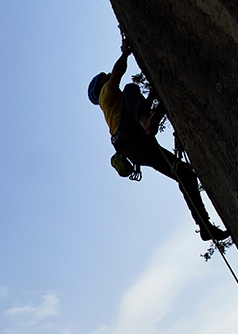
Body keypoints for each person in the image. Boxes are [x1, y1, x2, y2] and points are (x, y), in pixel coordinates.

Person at [88, 41, 230, 242]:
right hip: (133, 137)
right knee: (130, 88)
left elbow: (139, 106)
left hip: (138, 149)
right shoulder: (105, 96)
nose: (108, 76)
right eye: (104, 76)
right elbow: (118, 72)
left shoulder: (119, 106)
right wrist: (126, 53)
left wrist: (154, 94)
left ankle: (204, 225)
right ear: (100, 84)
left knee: (185, 174)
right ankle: (147, 124)